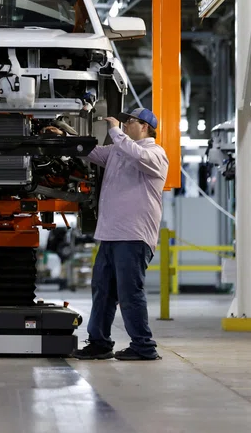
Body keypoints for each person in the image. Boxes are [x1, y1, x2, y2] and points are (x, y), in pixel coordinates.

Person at [47, 108, 168, 361]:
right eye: (122, 123)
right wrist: (63, 137)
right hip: (110, 234)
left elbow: (136, 154)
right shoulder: (117, 151)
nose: (124, 126)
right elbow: (90, 152)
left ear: (145, 127)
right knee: (102, 291)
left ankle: (144, 346)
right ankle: (100, 342)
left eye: (129, 122)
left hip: (133, 236)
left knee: (129, 292)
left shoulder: (155, 154)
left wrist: (113, 130)